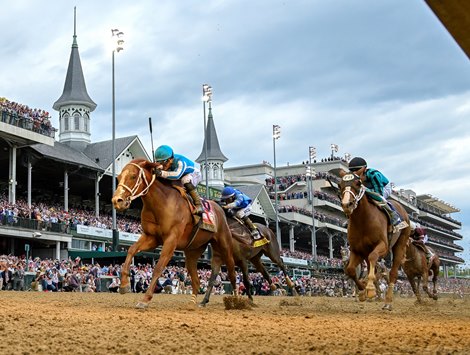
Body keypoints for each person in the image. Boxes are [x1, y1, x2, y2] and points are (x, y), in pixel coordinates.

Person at [348, 157, 407, 232]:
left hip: (384, 187)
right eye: (352, 170)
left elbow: (378, 194)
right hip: (368, 187)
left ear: (364, 168)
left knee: (379, 200)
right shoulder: (352, 177)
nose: (354, 173)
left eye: (356, 170)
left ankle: (396, 218)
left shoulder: (374, 175)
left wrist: (365, 189)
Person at [153, 145, 204, 215]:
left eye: (164, 162)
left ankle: (199, 205)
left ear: (170, 159)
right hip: (180, 175)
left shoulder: (180, 162)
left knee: (185, 180)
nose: (162, 165)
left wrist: (161, 173)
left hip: (193, 173)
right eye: (159, 162)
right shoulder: (167, 161)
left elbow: (177, 175)